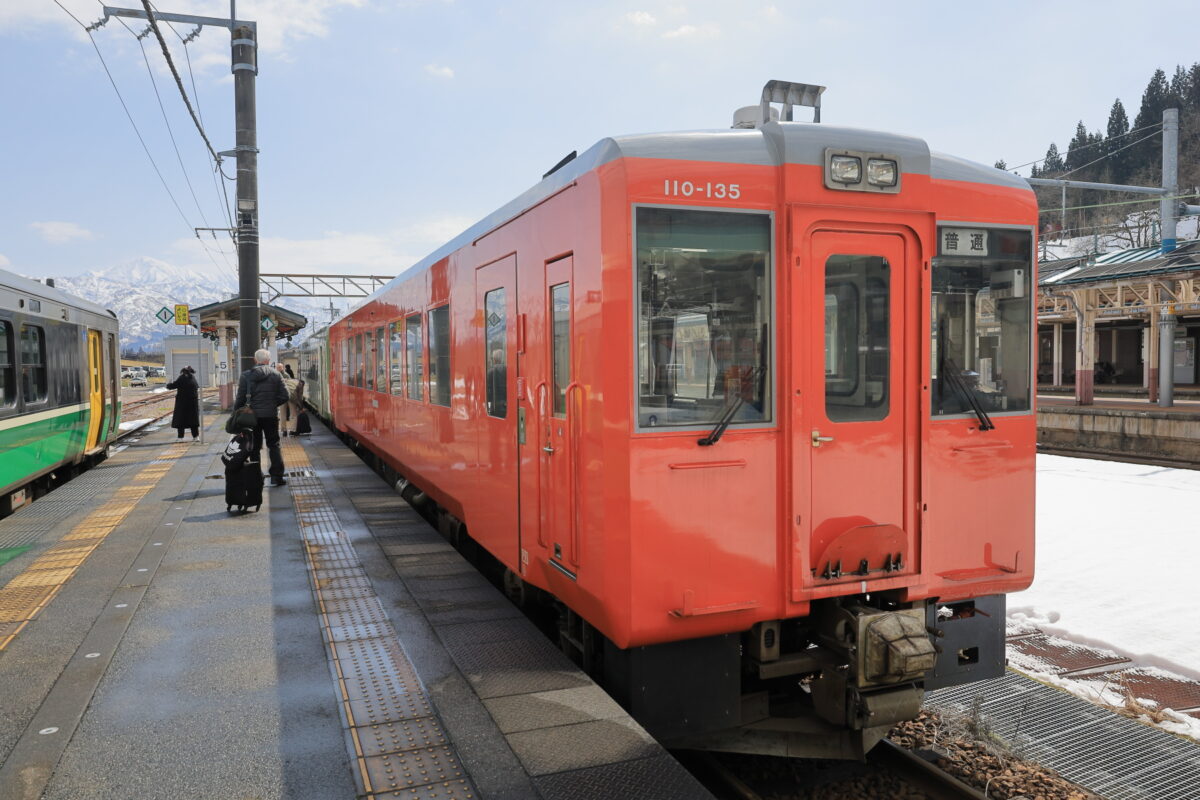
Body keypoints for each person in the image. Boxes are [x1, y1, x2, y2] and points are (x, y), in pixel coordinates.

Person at [235, 349, 290, 486]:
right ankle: (276, 477)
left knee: (254, 447)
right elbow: (286, 396)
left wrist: (236, 414)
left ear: (255, 360)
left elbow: (240, 398)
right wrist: (272, 404)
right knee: (274, 445)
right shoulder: (276, 374)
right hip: (270, 415)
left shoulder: (245, 376)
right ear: (268, 361)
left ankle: (256, 478)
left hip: (252, 417)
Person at [165, 366, 200, 441]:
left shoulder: (181, 378)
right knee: (193, 421)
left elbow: (173, 386)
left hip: (182, 403)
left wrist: (168, 385)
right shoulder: (193, 378)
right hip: (193, 404)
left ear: (183, 372)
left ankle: (180, 438)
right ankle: (196, 437)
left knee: (180, 421)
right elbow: (197, 387)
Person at [277, 363, 301, 437]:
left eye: (279, 367)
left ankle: (284, 430)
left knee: (283, 414)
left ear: (282, 367)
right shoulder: (287, 375)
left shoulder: (275, 375)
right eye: (278, 367)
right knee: (292, 414)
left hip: (283, 396)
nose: (278, 369)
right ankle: (292, 430)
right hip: (291, 395)